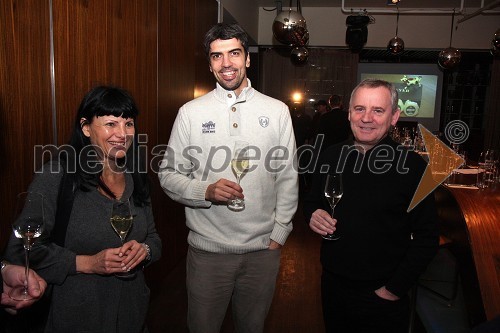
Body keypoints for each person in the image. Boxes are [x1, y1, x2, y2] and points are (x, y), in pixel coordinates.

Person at [158, 23, 298, 333]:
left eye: (234, 53)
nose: (226, 63)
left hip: (263, 251)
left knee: (252, 327)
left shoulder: (276, 111)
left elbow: (287, 175)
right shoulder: (190, 113)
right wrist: (204, 190)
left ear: (247, 58)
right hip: (208, 254)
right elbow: (168, 174)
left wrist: (280, 232)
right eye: (216, 56)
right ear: (209, 64)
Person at [3, 86, 162, 333]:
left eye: (128, 124)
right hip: (74, 315)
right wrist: (87, 263)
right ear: (86, 128)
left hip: (133, 314)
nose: (122, 134)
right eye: (111, 124)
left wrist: (145, 250)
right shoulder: (57, 176)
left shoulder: (135, 175)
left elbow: (153, 238)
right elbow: (21, 248)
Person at [304, 79, 439, 333]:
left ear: (394, 116)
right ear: (349, 114)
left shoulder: (414, 168)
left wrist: (393, 290)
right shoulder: (331, 156)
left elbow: (427, 237)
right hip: (333, 285)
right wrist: (313, 214)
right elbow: (312, 201)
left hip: (382, 294)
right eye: (359, 109)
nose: (367, 118)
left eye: (378, 110)